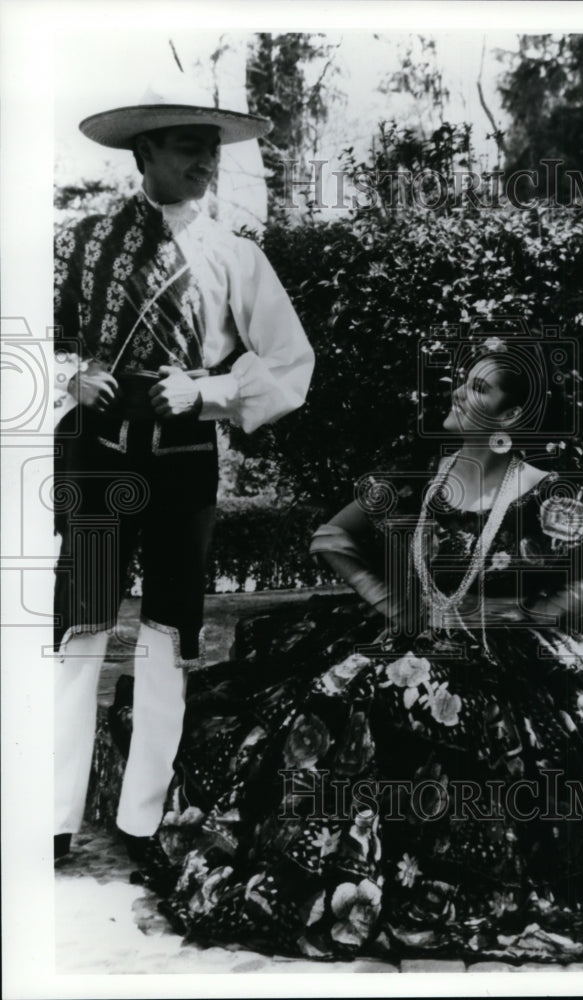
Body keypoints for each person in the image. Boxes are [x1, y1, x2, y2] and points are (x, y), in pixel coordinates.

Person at [114, 344, 583, 964]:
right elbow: (331, 536)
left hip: (518, 653)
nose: (459, 394)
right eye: (462, 381)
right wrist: (392, 604)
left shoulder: (553, 491)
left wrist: (547, 611)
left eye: (481, 389)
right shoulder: (418, 476)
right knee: (346, 698)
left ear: (514, 419)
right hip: (415, 633)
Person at [52, 80, 315, 883]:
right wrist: (73, 374)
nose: (206, 162)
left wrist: (208, 392)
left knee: (169, 630)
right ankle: (52, 818)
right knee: (80, 630)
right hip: (98, 458)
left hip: (182, 462)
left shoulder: (235, 256)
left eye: (211, 148)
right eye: (186, 146)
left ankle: (141, 817)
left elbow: (290, 366)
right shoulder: (82, 243)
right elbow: (30, 337)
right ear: (145, 155)